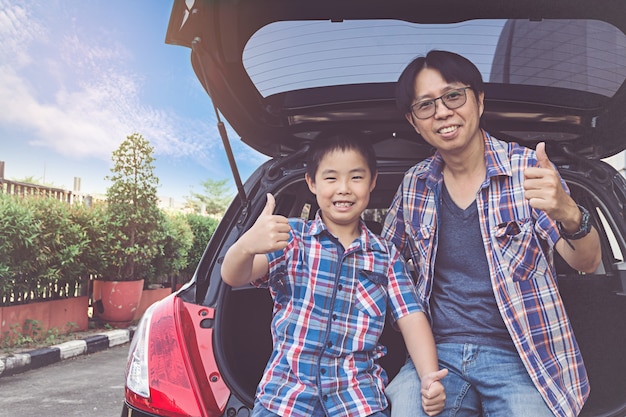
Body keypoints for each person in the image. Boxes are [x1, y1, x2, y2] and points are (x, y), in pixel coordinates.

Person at [382, 50, 601, 417]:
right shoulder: (414, 185)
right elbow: (378, 263)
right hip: (436, 357)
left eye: (453, 96)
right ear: (414, 121)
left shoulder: (528, 170)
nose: (442, 112)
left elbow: (588, 261)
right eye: (426, 105)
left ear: (479, 100)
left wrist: (568, 212)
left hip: (523, 356)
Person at [221, 133, 448, 417]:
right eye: (331, 178)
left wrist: (428, 376)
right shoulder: (292, 237)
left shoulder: (386, 255)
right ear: (312, 183)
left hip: (357, 398)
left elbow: (412, 317)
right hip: (286, 397)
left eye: (356, 177)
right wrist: (244, 247)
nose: (343, 189)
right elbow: (234, 276)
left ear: (372, 182)